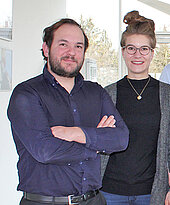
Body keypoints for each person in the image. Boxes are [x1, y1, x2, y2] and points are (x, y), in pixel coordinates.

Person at [7, 18, 129, 205]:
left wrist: (75, 133)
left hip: (94, 200)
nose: (71, 52)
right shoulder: (27, 94)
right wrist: (96, 143)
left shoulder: (96, 92)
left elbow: (121, 139)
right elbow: (45, 151)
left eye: (78, 46)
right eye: (63, 44)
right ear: (46, 49)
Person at [100, 11, 170, 205]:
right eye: (131, 48)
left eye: (144, 49)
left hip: (152, 192)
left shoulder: (168, 95)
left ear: (152, 53)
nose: (137, 55)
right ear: (122, 51)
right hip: (110, 192)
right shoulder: (106, 94)